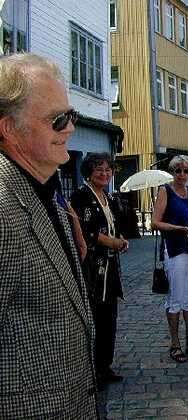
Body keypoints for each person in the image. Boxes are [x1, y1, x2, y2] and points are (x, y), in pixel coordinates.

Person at [0, 53, 97, 418]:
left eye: (71, 116)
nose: (70, 129)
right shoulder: (3, 205)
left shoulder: (43, 190)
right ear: (10, 129)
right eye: (57, 120)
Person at [70, 153, 128, 387]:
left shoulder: (109, 197)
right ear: (89, 172)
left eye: (107, 170)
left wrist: (120, 240)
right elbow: (84, 230)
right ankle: (90, 370)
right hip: (92, 268)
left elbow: (114, 227)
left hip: (110, 268)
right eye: (99, 169)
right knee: (92, 317)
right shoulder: (81, 196)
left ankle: (104, 366)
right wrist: (111, 242)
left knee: (108, 318)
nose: (104, 174)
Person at [152, 155, 188, 363]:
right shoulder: (165, 191)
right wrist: (178, 228)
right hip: (174, 249)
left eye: (185, 170)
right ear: (172, 172)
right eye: (177, 170)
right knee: (175, 298)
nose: (182, 174)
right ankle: (175, 343)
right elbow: (155, 222)